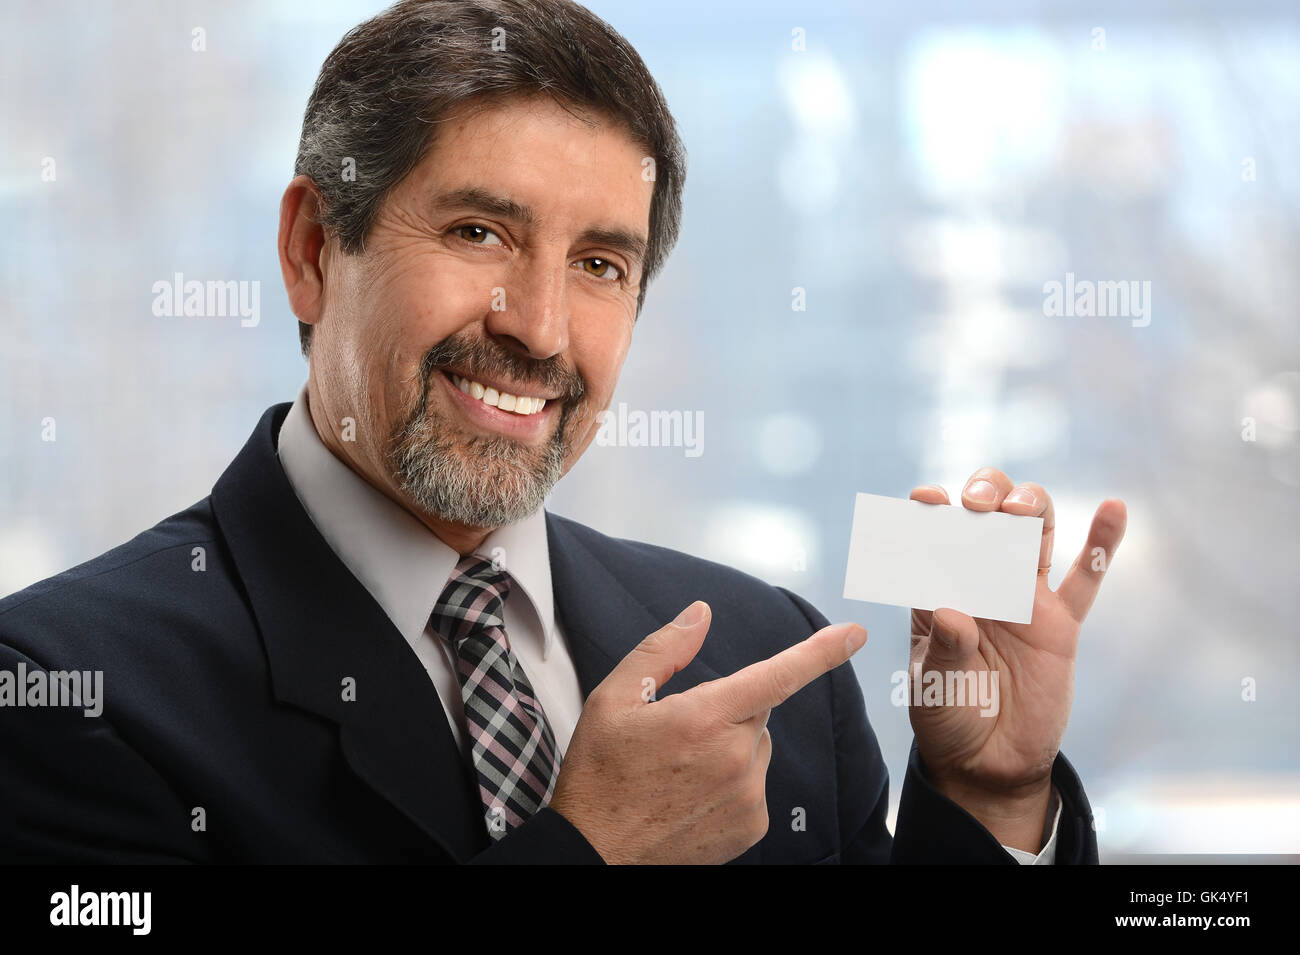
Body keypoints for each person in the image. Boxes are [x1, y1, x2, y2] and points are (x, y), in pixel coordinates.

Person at [0, 0, 1125, 864]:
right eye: (480, 230)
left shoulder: (763, 657)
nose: (538, 329)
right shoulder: (67, 693)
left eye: (599, 264)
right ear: (309, 249)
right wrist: (586, 852)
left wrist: (990, 794)